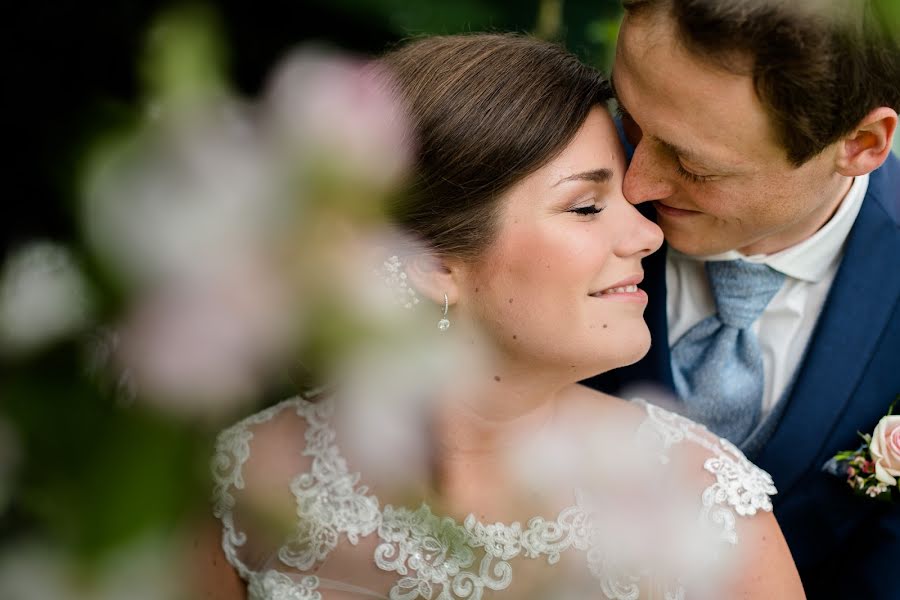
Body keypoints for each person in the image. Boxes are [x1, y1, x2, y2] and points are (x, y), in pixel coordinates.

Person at [206, 34, 805, 599]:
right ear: (434, 263)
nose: (648, 235)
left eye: (632, 204)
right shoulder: (241, 488)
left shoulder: (708, 503)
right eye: (587, 207)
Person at [584, 1, 900, 597]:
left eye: (693, 165)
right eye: (629, 116)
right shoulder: (551, 201)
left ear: (860, 143)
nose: (635, 184)